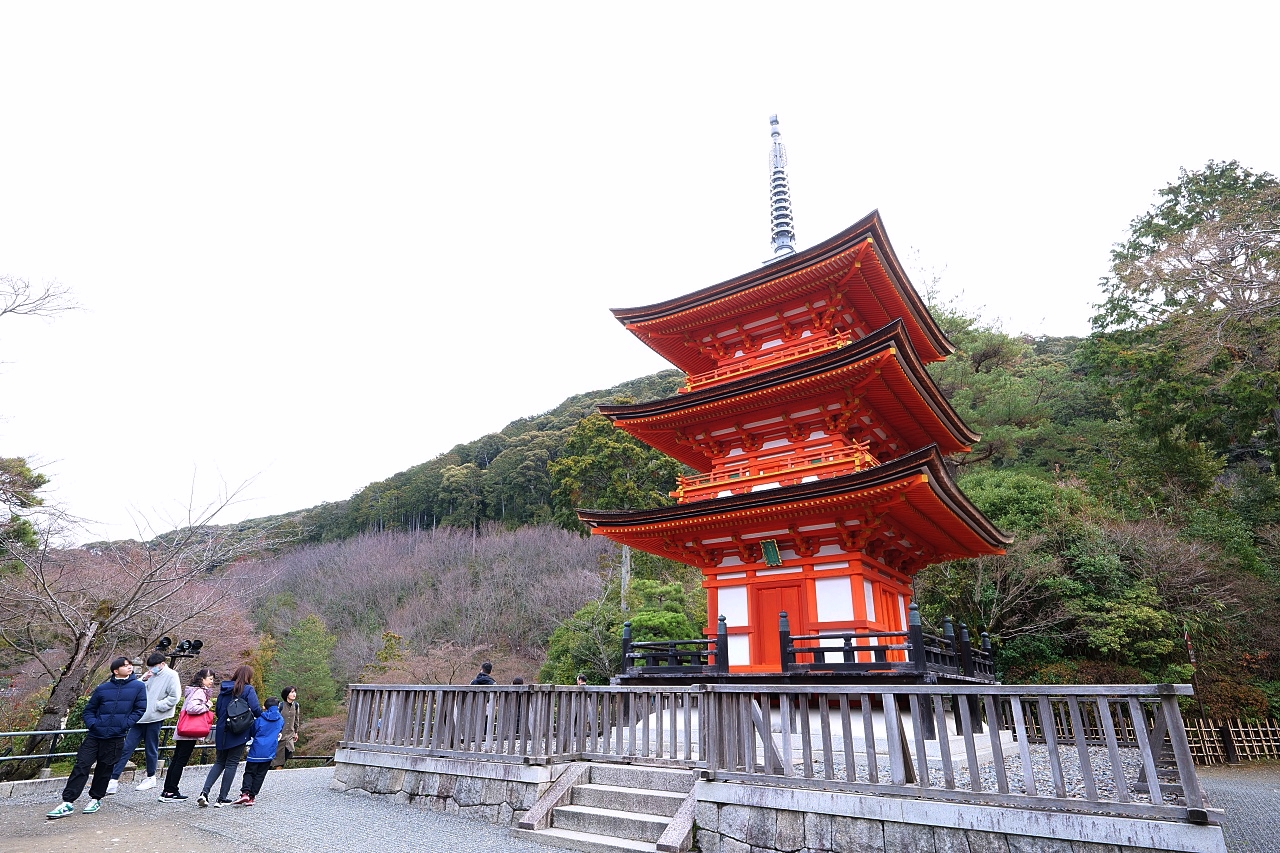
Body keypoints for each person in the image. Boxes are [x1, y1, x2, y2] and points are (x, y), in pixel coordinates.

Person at [46, 658, 146, 819]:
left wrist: (124, 724)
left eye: (130, 665)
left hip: (116, 736)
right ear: (115, 670)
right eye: (125, 665)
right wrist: (93, 724)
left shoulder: (138, 687)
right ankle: (67, 802)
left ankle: (96, 798)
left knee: (105, 769)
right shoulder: (103, 688)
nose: (129, 667)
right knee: (81, 765)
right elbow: (89, 710)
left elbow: (140, 709)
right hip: (95, 735)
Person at [105, 652, 181, 794]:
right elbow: (135, 689)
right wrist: (143, 679)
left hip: (155, 717)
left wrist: (156, 706)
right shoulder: (149, 674)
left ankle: (151, 777)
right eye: (151, 667)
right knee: (126, 747)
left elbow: (174, 697)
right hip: (140, 717)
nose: (152, 669)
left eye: (155, 666)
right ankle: (113, 780)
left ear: (163, 664)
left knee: (150, 748)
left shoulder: (171, 675)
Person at [197, 665, 261, 807]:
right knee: (231, 763)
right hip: (238, 730)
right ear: (248, 676)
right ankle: (221, 798)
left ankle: (204, 793)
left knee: (219, 762)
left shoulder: (224, 689)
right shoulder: (248, 689)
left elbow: (219, 710)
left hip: (222, 730)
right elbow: (256, 709)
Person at [159, 668, 215, 802]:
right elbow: (192, 708)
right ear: (202, 679)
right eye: (210, 679)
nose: (212, 682)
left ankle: (168, 790)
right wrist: (207, 705)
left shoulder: (192, 690)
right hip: (191, 731)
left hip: (184, 729)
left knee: (176, 759)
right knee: (180, 761)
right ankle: (171, 791)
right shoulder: (200, 692)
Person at [237, 697, 285, 805]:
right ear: (278, 707)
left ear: (265, 707)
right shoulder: (281, 719)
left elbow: (253, 732)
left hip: (256, 750)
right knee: (260, 774)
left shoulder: (259, 719)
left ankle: (245, 792)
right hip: (270, 751)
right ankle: (252, 797)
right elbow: (279, 730)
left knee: (249, 772)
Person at [271, 686, 301, 769]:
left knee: (289, 751)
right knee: (278, 756)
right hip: (280, 735)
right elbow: (275, 720)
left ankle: (278, 769)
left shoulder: (296, 705)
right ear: (286, 694)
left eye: (294, 692)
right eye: (291, 692)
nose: (294, 694)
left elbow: (296, 720)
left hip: (290, 735)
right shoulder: (280, 705)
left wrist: (296, 732)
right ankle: (276, 771)